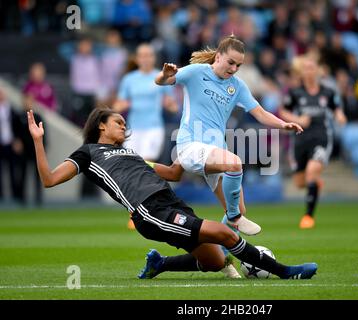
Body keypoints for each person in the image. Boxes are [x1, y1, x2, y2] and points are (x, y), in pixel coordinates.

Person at [26, 107, 318, 280]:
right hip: (150, 212)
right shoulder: (88, 154)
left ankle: (160, 264)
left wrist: (190, 147)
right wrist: (38, 142)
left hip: (171, 203)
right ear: (101, 125)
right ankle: (285, 271)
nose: (124, 126)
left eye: (125, 124)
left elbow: (173, 173)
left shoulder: (131, 153)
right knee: (226, 235)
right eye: (118, 122)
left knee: (216, 261)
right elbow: (49, 179)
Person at [154, 35, 303, 239]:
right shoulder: (197, 72)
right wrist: (164, 75)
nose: (234, 69)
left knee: (240, 208)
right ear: (218, 57)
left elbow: (259, 112)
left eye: (238, 65)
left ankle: (220, 255)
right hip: (190, 146)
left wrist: (283, 124)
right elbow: (162, 81)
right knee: (234, 164)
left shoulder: (237, 86)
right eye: (231, 62)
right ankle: (234, 217)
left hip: (215, 151)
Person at [114, 43, 178, 230]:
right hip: (134, 130)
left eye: (149, 55)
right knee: (131, 169)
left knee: (144, 166)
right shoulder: (129, 79)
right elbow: (119, 104)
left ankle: (145, 211)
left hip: (153, 128)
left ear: (153, 57)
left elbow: (172, 105)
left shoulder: (161, 76)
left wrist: (171, 106)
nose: (145, 58)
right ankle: (136, 213)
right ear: (137, 58)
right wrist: (119, 107)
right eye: (142, 55)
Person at [279, 55, 347, 229]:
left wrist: (339, 116)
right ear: (301, 72)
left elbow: (336, 108)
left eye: (312, 67)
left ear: (317, 70)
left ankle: (308, 216)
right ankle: (315, 183)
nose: (309, 71)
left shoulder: (328, 92)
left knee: (311, 171)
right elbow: (283, 112)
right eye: (306, 68)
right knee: (300, 183)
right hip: (300, 140)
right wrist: (298, 119)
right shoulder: (295, 92)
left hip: (321, 138)